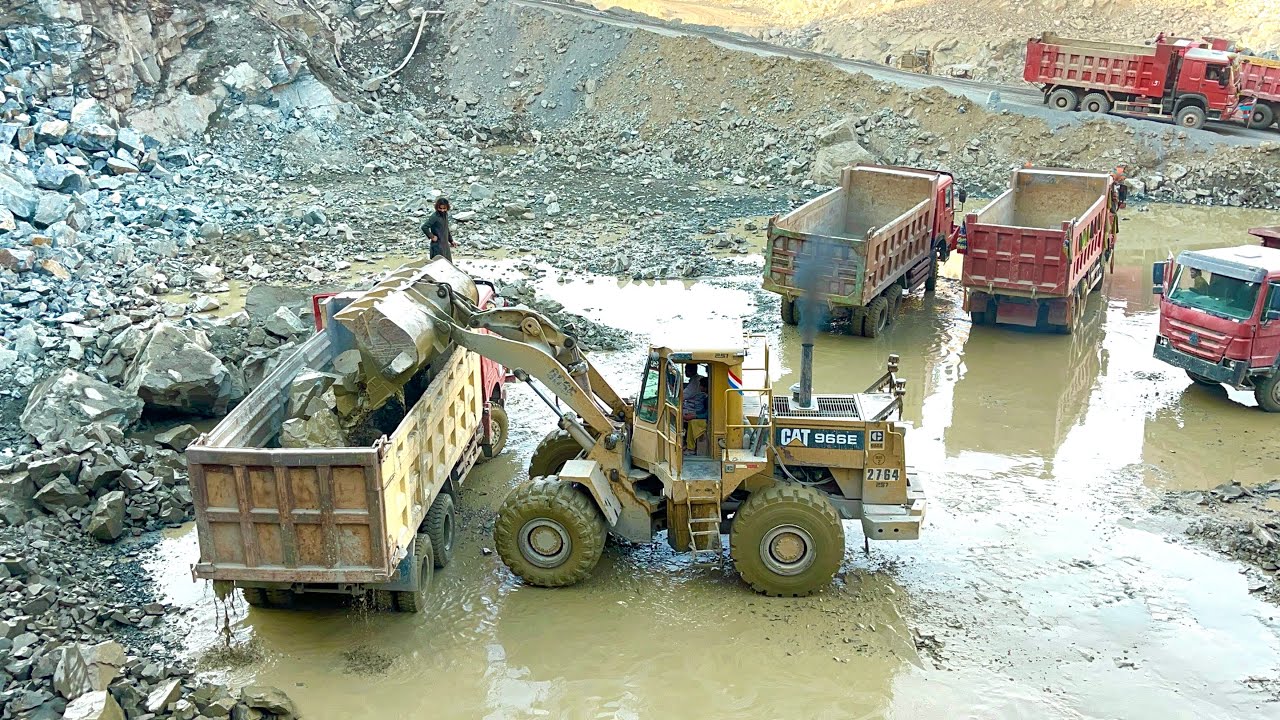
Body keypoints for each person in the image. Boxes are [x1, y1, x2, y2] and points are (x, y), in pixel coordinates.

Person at [421, 197, 456, 262]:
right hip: (437, 246)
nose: (442, 210)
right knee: (437, 265)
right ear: (437, 207)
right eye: (440, 208)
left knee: (448, 265)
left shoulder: (445, 215)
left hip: (445, 245)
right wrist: (432, 236)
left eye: (444, 208)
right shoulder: (434, 216)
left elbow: (446, 228)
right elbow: (424, 227)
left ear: (447, 207)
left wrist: (451, 241)